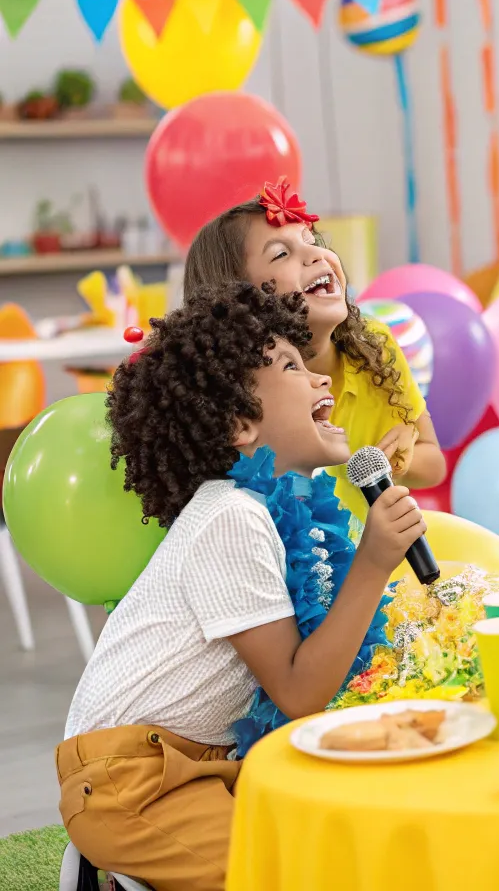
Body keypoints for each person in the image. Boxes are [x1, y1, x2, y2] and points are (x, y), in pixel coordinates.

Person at [56, 283, 425, 891]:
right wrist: (374, 561)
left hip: (201, 769)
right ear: (240, 424)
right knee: (280, 872)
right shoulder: (231, 517)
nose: (319, 380)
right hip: (130, 782)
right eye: (289, 367)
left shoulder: (269, 516)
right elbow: (300, 688)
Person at [182, 178, 446, 523]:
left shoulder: (374, 347)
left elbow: (434, 464)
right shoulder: (245, 395)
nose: (317, 255)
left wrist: (397, 460)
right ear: (236, 297)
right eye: (282, 253)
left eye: (311, 240)